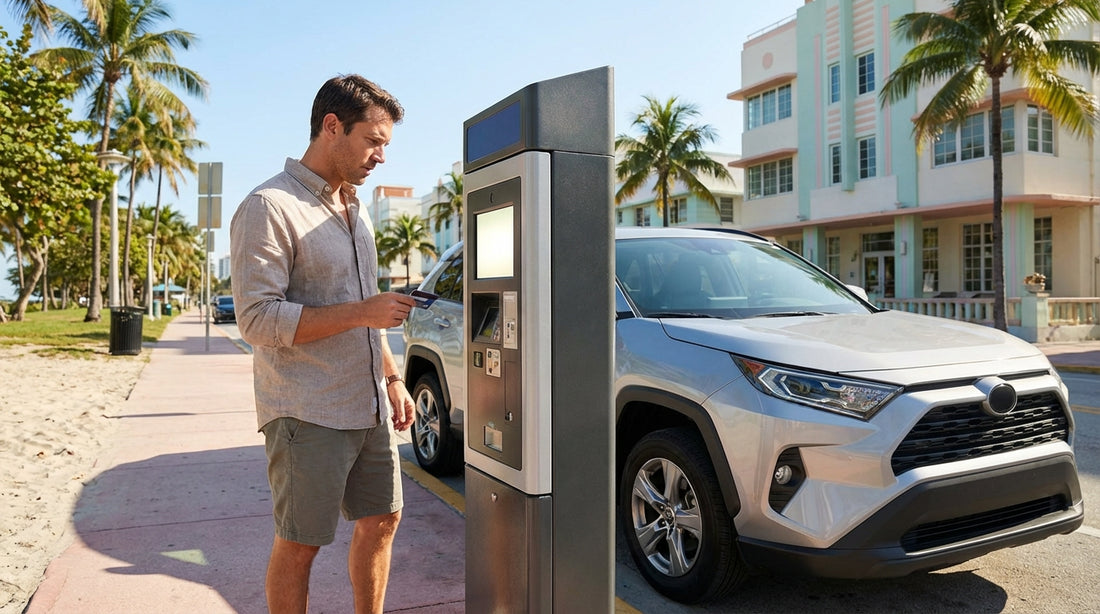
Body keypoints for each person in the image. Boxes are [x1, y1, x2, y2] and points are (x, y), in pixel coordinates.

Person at [230, 75, 416, 614]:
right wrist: (364, 312)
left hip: (368, 404)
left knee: (384, 518)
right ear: (331, 127)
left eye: (386, 144)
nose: (381, 155)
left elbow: (366, 312)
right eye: (373, 140)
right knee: (301, 542)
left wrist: (392, 375)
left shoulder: (357, 213)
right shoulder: (269, 206)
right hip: (306, 410)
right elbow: (258, 319)